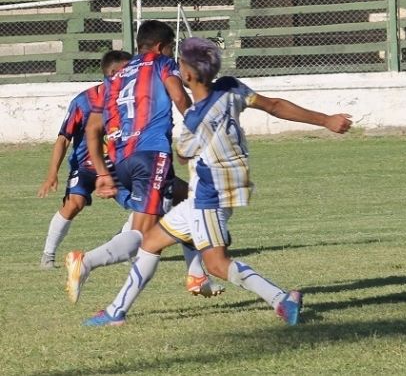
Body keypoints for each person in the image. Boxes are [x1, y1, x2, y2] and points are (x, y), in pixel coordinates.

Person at [82, 37, 353, 327]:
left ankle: (281, 298)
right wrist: (325, 120)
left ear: (186, 75)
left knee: (216, 264)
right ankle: (116, 312)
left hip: (208, 197)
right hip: (217, 191)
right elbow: (274, 105)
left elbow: (183, 155)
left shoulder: (193, 121)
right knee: (151, 242)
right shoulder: (231, 88)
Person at [65, 20, 222, 303]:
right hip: (151, 155)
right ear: (161, 47)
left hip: (122, 159)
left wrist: (102, 172)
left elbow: (93, 129)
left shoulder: (116, 76)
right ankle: (85, 261)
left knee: (188, 199)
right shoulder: (162, 63)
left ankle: (196, 273)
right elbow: (179, 97)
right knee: (144, 235)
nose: (172, 52)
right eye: (171, 47)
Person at [37, 51, 132, 269]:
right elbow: (63, 139)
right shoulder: (83, 102)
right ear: (114, 73)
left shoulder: (130, 100)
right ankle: (48, 255)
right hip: (85, 167)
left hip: (117, 166)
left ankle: (120, 244)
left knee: (143, 206)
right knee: (74, 203)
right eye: (128, 71)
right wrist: (52, 174)